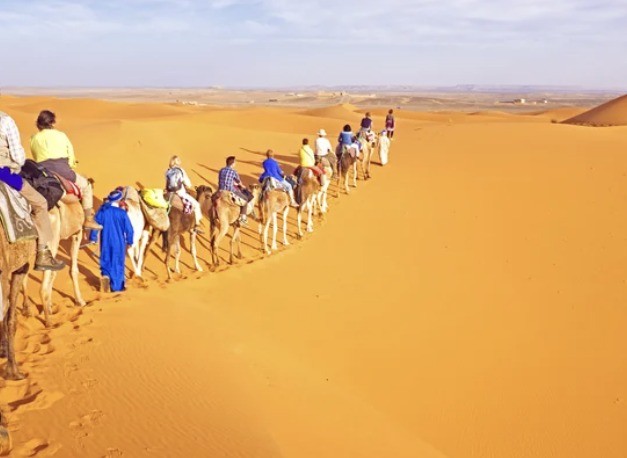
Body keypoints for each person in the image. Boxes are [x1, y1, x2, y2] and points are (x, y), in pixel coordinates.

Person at [0, 111, 65, 271]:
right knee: (41, 202)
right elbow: (18, 157)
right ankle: (43, 253)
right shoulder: (6, 121)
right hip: (3, 172)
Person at [30, 110, 102, 230]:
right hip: (63, 170)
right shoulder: (61, 135)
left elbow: (35, 156)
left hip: (43, 173)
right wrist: (71, 165)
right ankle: (88, 219)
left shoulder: (34, 138)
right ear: (52, 122)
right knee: (87, 187)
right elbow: (71, 157)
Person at [94, 189, 134, 292]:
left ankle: (106, 276)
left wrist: (93, 237)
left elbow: (95, 225)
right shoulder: (122, 213)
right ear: (118, 200)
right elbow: (129, 230)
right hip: (118, 242)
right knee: (117, 263)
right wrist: (130, 241)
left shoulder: (102, 210)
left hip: (105, 241)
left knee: (106, 260)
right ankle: (117, 287)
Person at [165, 155, 203, 232]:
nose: (180, 161)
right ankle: (197, 224)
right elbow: (187, 183)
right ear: (177, 161)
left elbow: (167, 182)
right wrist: (188, 185)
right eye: (179, 160)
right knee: (196, 205)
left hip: (169, 192)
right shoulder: (181, 170)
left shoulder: (167, 171)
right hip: (180, 192)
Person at [218, 156, 251, 225]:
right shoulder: (234, 171)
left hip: (220, 190)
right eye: (235, 162)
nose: (235, 164)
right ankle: (243, 218)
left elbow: (221, 180)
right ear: (232, 163)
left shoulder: (221, 170)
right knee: (245, 199)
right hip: (230, 191)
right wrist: (242, 186)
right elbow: (239, 182)